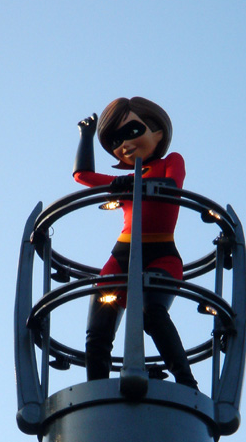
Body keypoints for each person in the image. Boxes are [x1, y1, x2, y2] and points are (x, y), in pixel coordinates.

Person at [73, 96, 197, 389]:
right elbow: (83, 176)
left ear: (158, 133)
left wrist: (132, 184)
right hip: (121, 255)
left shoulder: (171, 161)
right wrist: (86, 136)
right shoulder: (129, 178)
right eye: (116, 141)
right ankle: (96, 390)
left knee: (151, 313)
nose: (125, 145)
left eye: (132, 132)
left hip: (162, 254)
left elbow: (172, 186)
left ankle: (186, 382)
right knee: (99, 325)